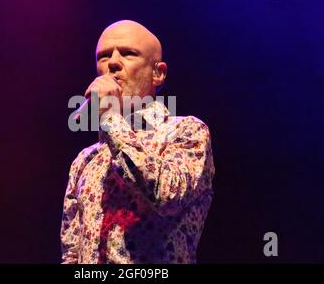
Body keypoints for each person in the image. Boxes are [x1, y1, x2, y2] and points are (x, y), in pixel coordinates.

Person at [60, 20, 215, 264]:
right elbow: (71, 253)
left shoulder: (187, 132)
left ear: (158, 73)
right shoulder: (85, 160)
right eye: (104, 56)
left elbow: (166, 196)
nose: (112, 62)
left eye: (128, 53)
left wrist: (110, 119)